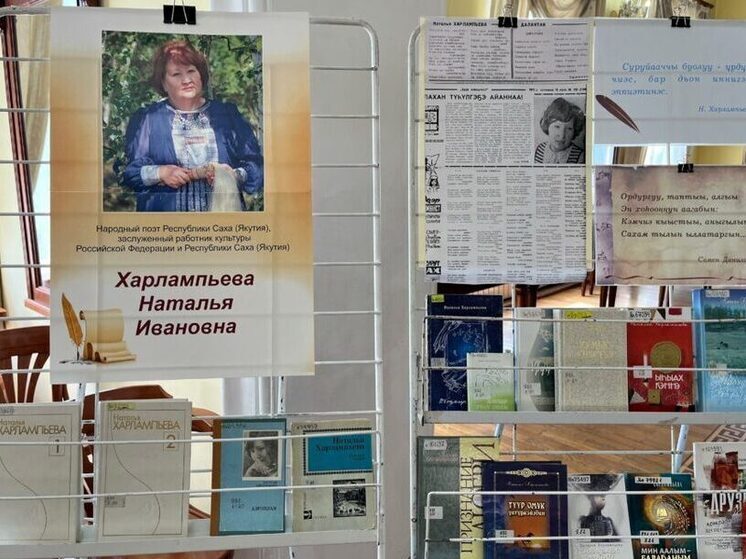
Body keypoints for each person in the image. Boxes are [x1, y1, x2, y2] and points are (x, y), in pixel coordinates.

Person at [122, 40, 263, 212]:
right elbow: (130, 174)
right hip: (167, 225)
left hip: (222, 223)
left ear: (200, 74)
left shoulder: (228, 115)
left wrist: (234, 175)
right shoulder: (148, 118)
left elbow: (256, 167)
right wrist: (161, 173)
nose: (187, 80)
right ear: (163, 83)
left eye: (191, 71)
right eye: (176, 74)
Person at [534, 97, 585, 165]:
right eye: (557, 127)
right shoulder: (540, 149)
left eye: (569, 129)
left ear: (574, 131)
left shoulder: (580, 157)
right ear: (547, 126)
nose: (562, 135)